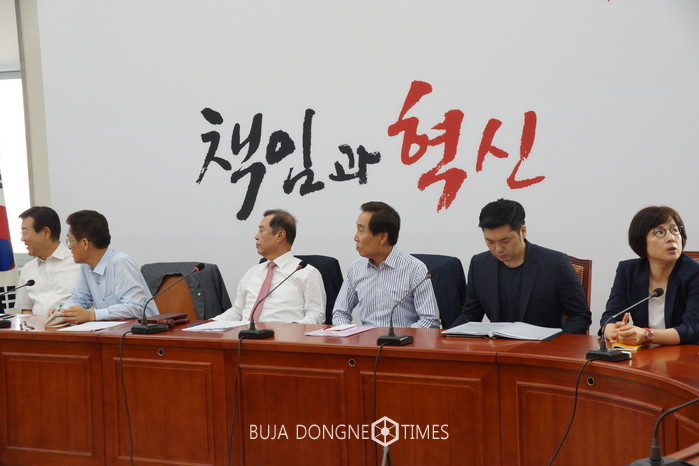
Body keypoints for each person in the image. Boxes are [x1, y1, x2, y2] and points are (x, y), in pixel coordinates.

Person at [450, 199, 591, 333]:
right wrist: (446, 335)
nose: (498, 249)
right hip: (498, 346)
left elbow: (580, 315)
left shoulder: (555, 263)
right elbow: (470, 314)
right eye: (490, 242)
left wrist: (558, 344)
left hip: (543, 346)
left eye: (505, 241)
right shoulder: (479, 265)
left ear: (522, 231)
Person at [332, 201, 440, 328]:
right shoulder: (356, 268)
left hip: (403, 339)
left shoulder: (415, 269)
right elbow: (340, 313)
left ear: (382, 237)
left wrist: (400, 337)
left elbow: (430, 320)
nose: (355, 237)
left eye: (361, 230)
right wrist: (348, 334)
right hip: (365, 339)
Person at [601, 206, 699, 345]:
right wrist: (613, 330)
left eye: (675, 230)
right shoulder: (628, 271)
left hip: (686, 354)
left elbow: (692, 330)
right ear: (641, 240)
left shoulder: (694, 273)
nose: (671, 238)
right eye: (660, 232)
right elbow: (611, 316)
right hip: (645, 354)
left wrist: (647, 335)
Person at [214, 209, 326, 324]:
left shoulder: (306, 273)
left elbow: (316, 314)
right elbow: (237, 311)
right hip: (245, 333)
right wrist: (210, 323)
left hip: (284, 334)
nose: (256, 236)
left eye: (261, 231)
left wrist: (295, 328)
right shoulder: (252, 272)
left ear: (280, 235)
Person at [49, 210, 158, 323]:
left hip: (144, 329)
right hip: (113, 330)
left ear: (84, 243)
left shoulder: (121, 262)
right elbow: (80, 298)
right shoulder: (85, 266)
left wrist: (92, 315)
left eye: (70, 241)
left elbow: (135, 307)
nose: (69, 247)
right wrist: (63, 312)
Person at [14, 206, 80, 315]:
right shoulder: (28, 269)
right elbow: (26, 310)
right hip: (36, 326)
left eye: (25, 233)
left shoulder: (78, 263)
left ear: (46, 232)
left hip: (71, 325)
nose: (22, 239)